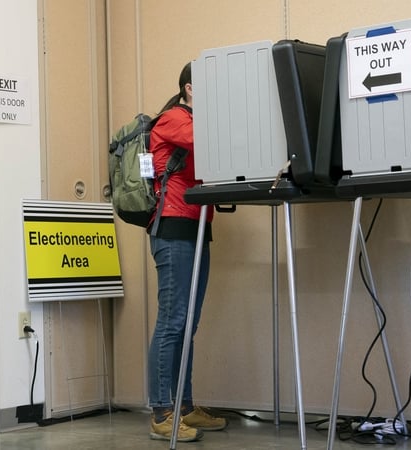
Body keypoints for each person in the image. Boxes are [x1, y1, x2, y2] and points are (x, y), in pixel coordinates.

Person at [146, 62, 227, 442]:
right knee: (172, 321)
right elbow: (212, 139)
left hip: (197, 227)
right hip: (174, 227)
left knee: (188, 323)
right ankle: (163, 412)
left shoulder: (189, 120)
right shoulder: (174, 119)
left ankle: (185, 406)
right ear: (190, 88)